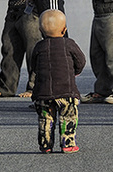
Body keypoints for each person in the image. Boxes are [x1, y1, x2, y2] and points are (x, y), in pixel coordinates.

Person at [31, 10, 85, 154]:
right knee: (68, 116)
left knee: (45, 119)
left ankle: (46, 145)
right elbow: (81, 60)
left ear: (41, 31)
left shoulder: (39, 47)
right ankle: (68, 143)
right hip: (66, 92)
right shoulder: (69, 44)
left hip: (43, 93)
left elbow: (34, 66)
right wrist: (75, 71)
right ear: (64, 29)